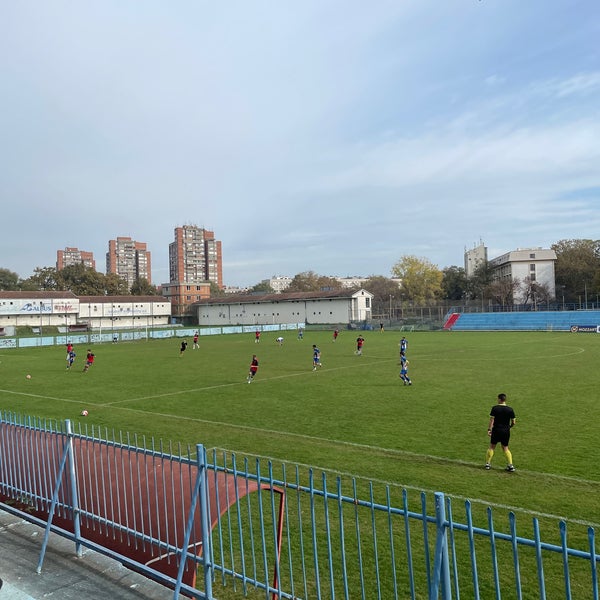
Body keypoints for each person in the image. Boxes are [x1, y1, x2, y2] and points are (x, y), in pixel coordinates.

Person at [485, 393, 516, 471]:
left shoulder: (495, 408)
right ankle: (510, 465)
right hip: (506, 431)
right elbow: (514, 422)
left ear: (499, 399)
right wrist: (510, 427)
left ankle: (488, 464)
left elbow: (492, 420)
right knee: (505, 448)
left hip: (496, 430)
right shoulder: (510, 409)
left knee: (492, 447)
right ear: (505, 400)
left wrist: (489, 429)